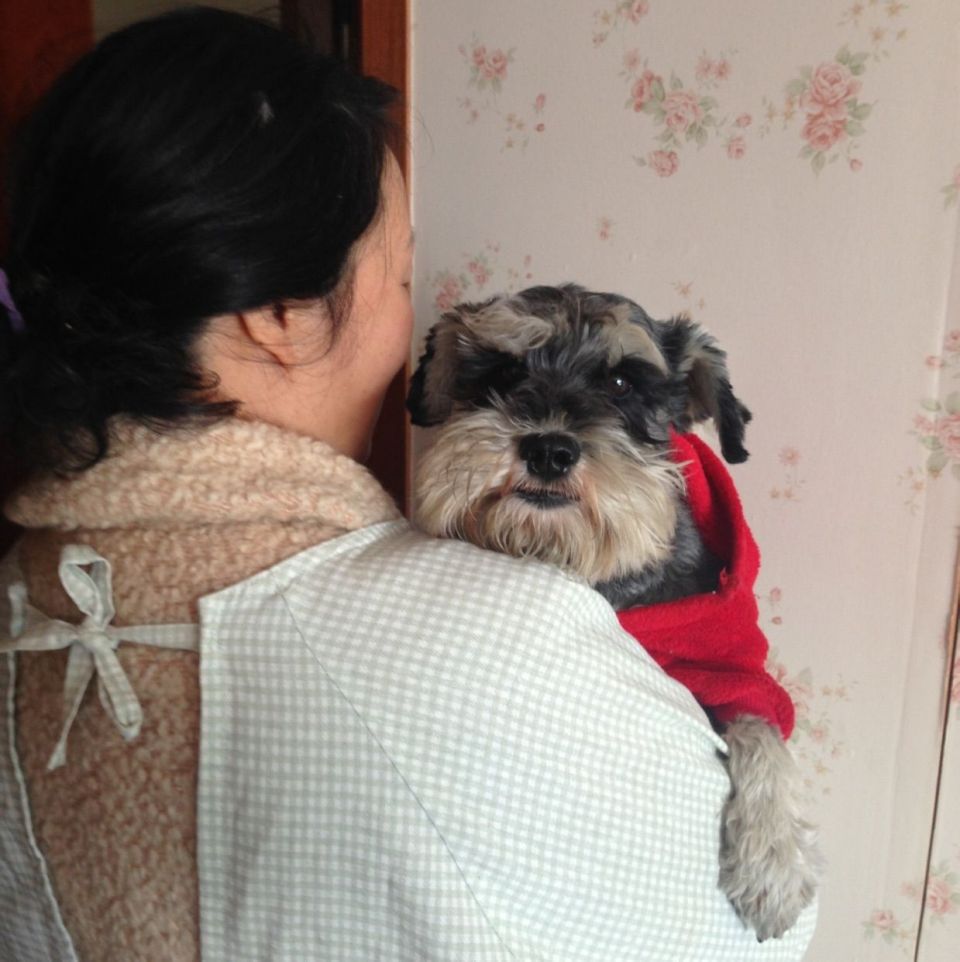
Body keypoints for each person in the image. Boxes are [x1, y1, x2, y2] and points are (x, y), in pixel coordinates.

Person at [0, 8, 816, 961]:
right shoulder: (500, 645)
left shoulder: (19, 595)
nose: (403, 327)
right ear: (280, 313)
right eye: (397, 280)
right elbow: (757, 934)